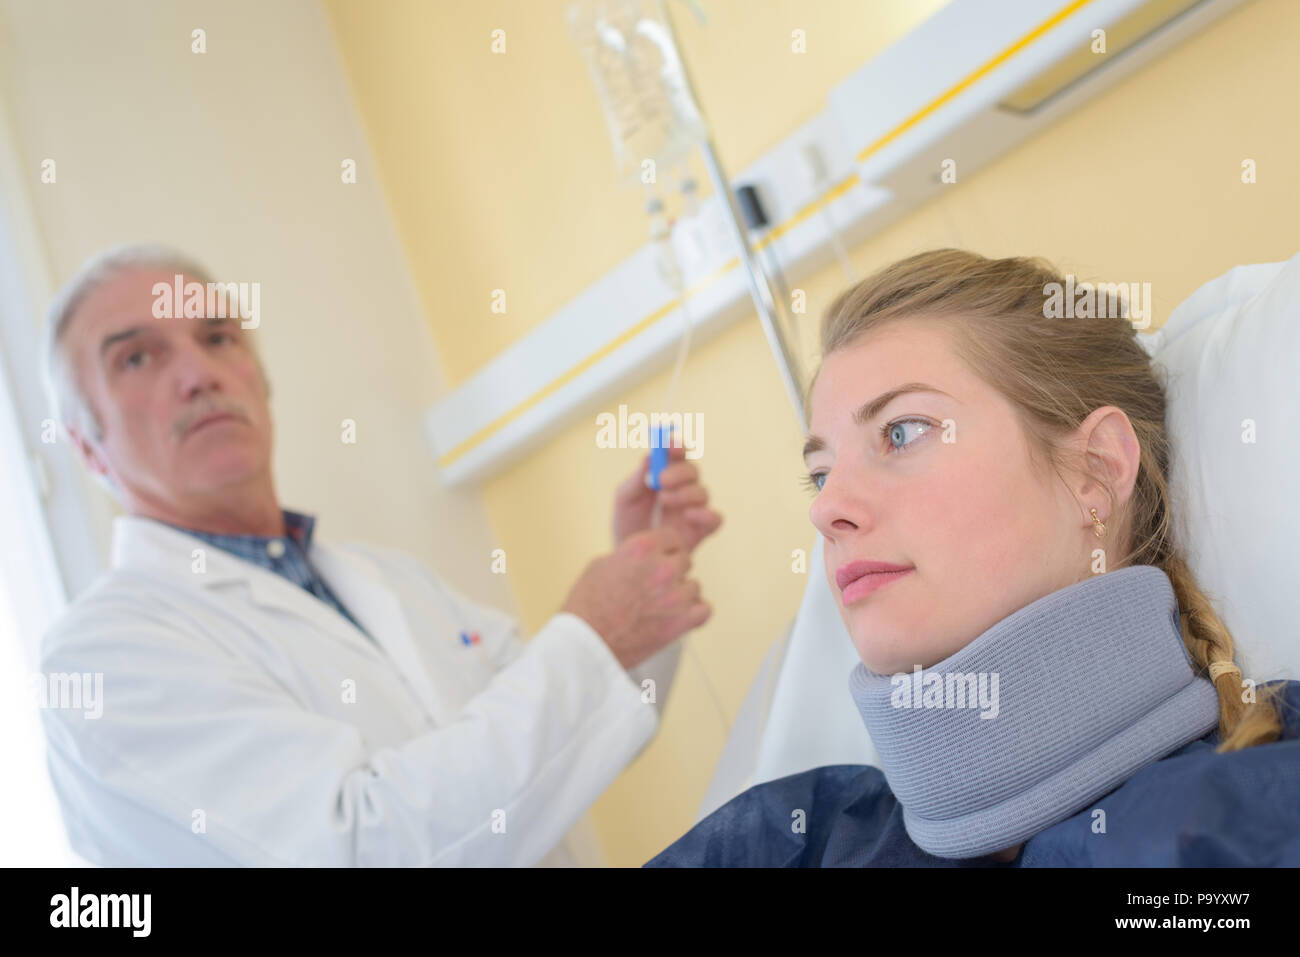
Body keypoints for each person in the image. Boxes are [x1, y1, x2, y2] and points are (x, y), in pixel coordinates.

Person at [37, 242, 722, 866]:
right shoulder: (106, 656)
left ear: (262, 382)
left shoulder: (385, 578)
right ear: (86, 444)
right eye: (137, 356)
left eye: (218, 337)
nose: (197, 373)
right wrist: (595, 633)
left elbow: (583, 733)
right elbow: (360, 850)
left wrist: (640, 576)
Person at [648, 248, 1300, 867]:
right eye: (821, 474)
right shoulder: (789, 837)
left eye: (901, 432)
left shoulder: (1251, 819)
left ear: (1096, 472)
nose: (827, 509)